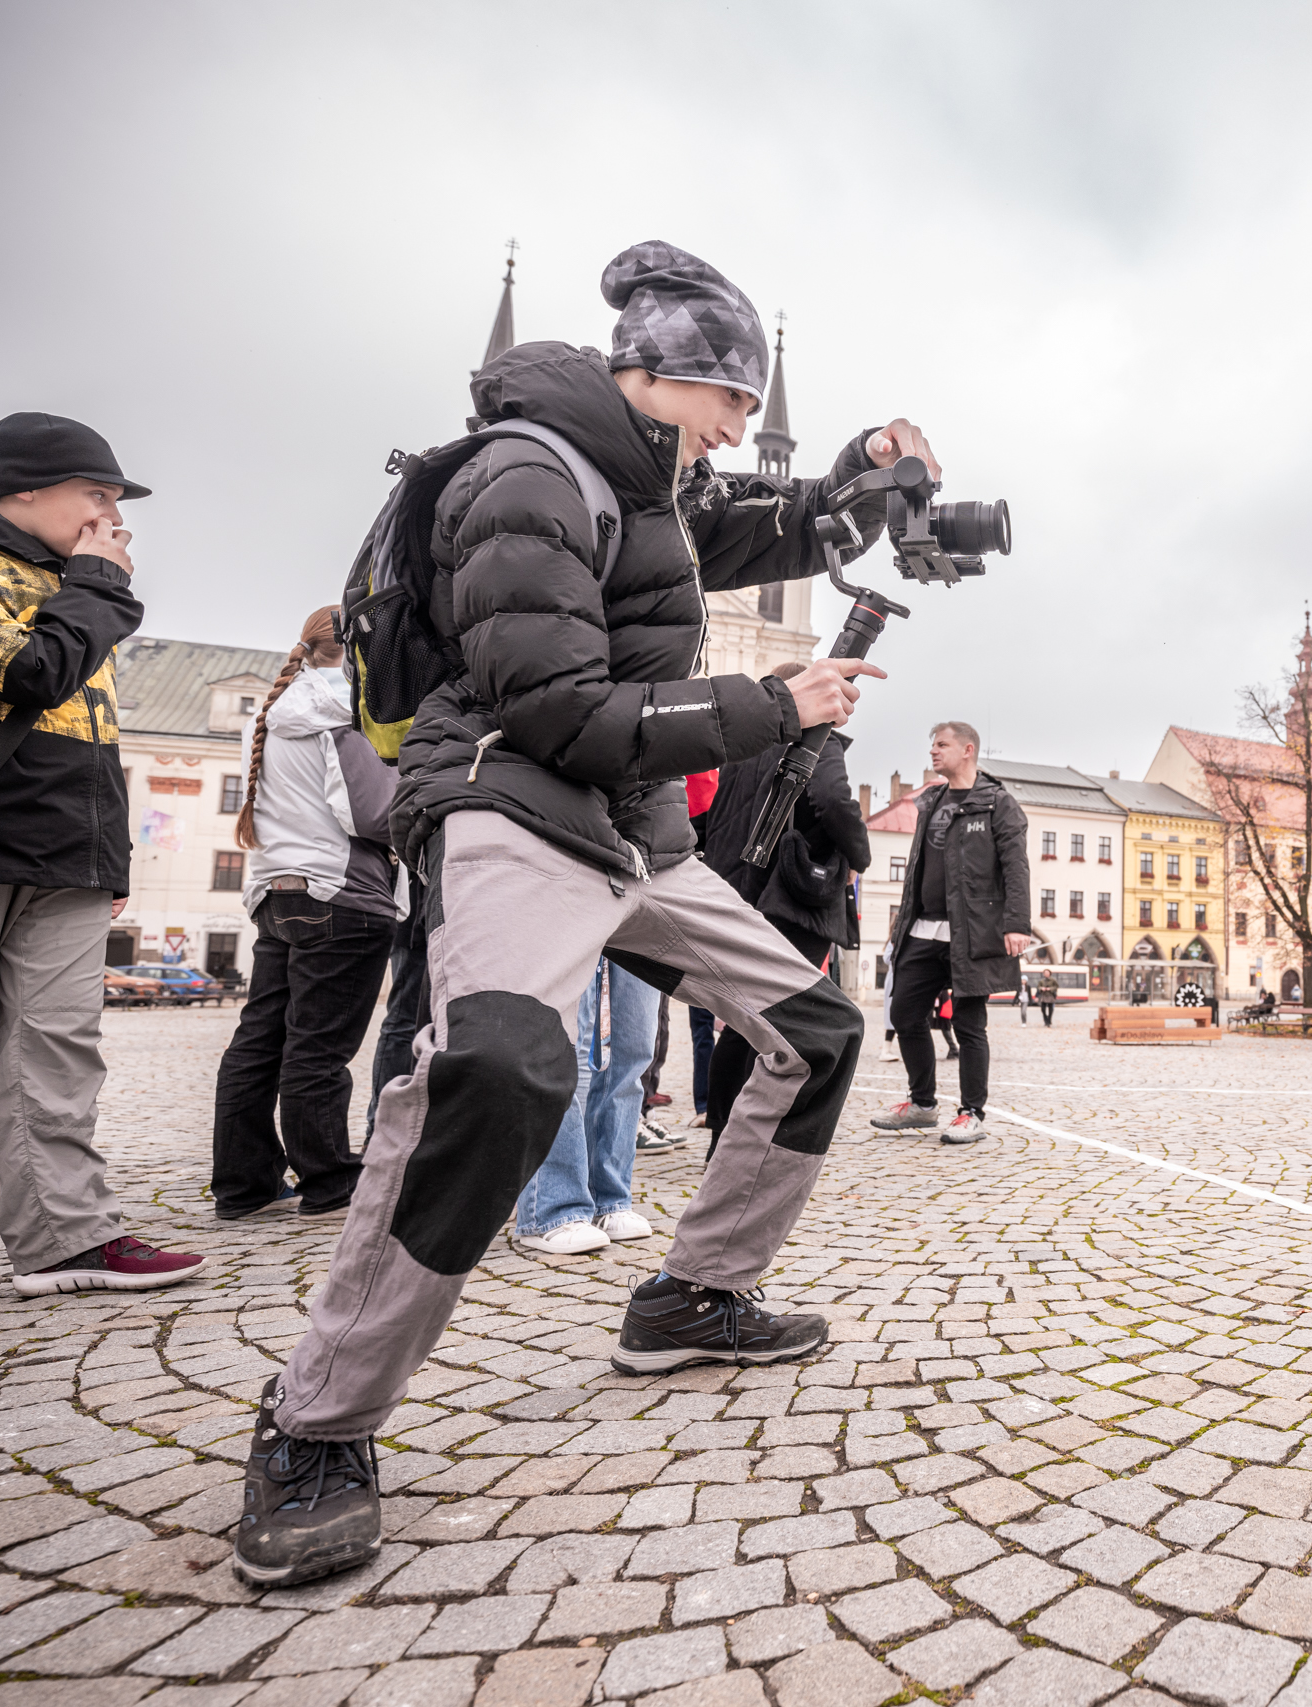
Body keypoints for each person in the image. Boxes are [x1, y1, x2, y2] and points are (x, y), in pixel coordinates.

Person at [236, 241, 938, 1587]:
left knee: (817, 1029)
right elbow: (557, 711)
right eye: (733, 403)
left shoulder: (651, 489)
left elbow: (792, 524)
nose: (743, 430)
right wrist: (775, 706)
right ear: (669, 376)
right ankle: (318, 1416)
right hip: (516, 805)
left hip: (631, 830)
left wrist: (871, 470)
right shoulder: (528, 476)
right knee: (496, 1070)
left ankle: (692, 1294)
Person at [0, 415, 206, 1302]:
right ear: (22, 490)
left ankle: (66, 1236)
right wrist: (98, 583)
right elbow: (26, 674)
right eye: (97, 492)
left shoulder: (75, 583)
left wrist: (111, 854)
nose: (112, 512)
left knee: (59, 1054)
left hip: (68, 846)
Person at [212, 608, 403, 1219]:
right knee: (318, 1051)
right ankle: (329, 1182)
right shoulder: (345, 714)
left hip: (276, 891)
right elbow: (371, 814)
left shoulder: (270, 712)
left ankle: (243, 1184)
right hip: (341, 892)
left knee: (259, 1041)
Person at [695, 699, 870, 1135]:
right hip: (793, 897)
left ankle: (722, 1129)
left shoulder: (742, 751)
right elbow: (833, 798)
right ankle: (766, 1127)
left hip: (736, 895)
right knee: (789, 1017)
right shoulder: (816, 738)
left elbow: (708, 820)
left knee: (743, 1021)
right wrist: (859, 857)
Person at [869, 722, 1032, 1145]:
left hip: (973, 932)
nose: (933, 752)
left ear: (967, 750)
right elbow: (915, 874)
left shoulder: (997, 803)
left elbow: (1016, 867)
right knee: (905, 1014)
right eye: (932, 745)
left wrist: (1016, 924)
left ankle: (971, 1113)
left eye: (942, 745)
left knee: (969, 1025)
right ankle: (922, 1104)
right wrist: (898, 930)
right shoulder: (932, 801)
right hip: (922, 929)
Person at [512, 957, 657, 1254]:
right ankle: (550, 1208)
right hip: (569, 911)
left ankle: (610, 1199)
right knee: (564, 1041)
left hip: (644, 911)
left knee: (632, 1050)